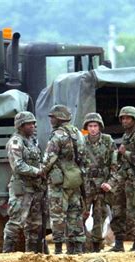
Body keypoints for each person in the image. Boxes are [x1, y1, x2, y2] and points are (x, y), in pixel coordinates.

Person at [101, 106, 135, 252]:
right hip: (124, 179)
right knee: (118, 210)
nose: (124, 120)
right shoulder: (126, 136)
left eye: (128, 118)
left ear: (134, 119)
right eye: (123, 118)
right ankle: (118, 243)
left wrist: (126, 153)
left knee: (134, 212)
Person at [41, 104, 86, 254]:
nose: (51, 120)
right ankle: (77, 247)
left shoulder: (57, 135)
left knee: (58, 214)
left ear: (59, 118)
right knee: (75, 212)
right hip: (75, 178)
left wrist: (41, 172)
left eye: (52, 117)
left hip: (59, 181)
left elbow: (49, 158)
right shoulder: (78, 133)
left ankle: (59, 248)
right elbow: (83, 157)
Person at [3, 111, 45, 253]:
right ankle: (6, 254)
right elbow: (17, 165)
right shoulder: (16, 142)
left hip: (35, 188)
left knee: (34, 225)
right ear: (20, 126)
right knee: (16, 222)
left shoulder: (32, 141)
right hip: (21, 188)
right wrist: (37, 171)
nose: (32, 126)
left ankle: (31, 255)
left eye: (33, 123)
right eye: (29, 124)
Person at [81, 112, 117, 253]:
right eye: (90, 126)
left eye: (95, 126)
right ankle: (83, 244)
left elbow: (115, 165)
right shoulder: (81, 142)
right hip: (85, 186)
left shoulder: (108, 141)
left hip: (102, 186)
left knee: (100, 216)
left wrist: (110, 183)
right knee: (80, 216)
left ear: (100, 127)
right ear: (86, 127)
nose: (93, 129)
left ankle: (96, 246)